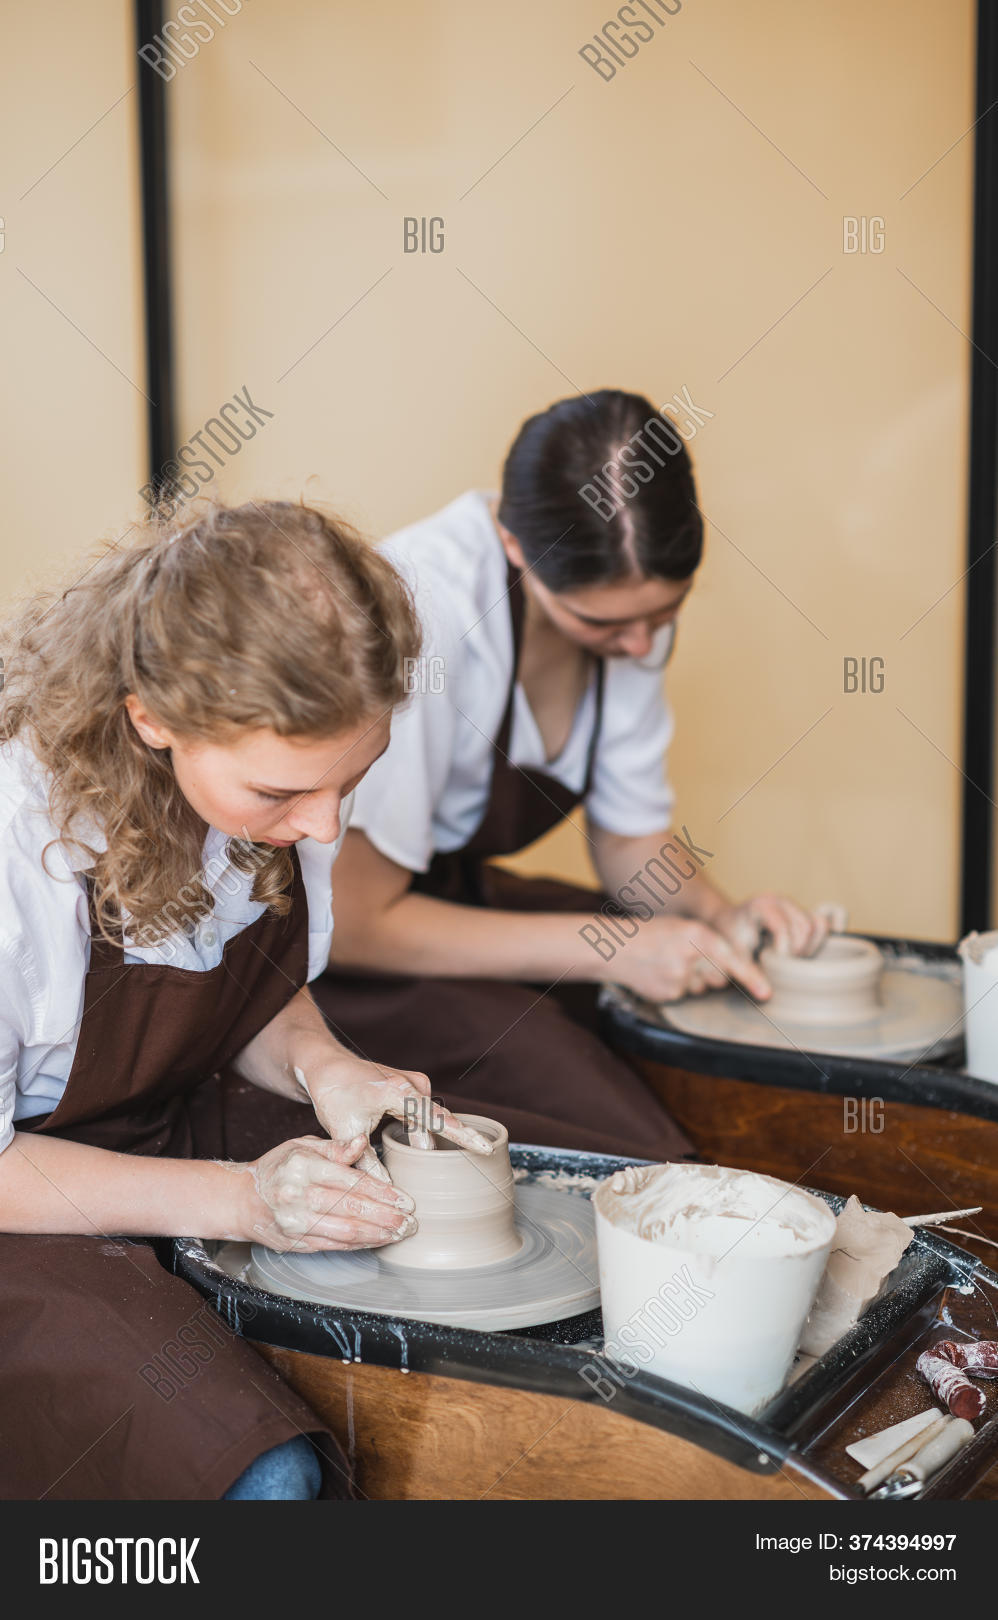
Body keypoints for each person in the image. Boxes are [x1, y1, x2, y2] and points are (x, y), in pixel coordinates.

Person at [0, 498, 489, 1501]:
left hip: (173, 1130)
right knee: (260, 1474)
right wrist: (242, 1200)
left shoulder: (289, 801)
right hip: (28, 1207)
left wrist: (328, 1067)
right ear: (150, 717)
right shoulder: (19, 848)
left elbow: (254, 996)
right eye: (281, 796)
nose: (323, 829)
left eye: (352, 781)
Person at [316, 390, 830, 1158]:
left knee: (690, 1021)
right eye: (605, 624)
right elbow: (355, 925)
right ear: (514, 543)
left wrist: (720, 918)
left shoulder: (635, 621)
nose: (638, 646)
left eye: (664, 614)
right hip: (344, 961)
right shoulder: (428, 611)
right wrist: (615, 947)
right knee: (644, 1151)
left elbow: (630, 841)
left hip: (454, 905)